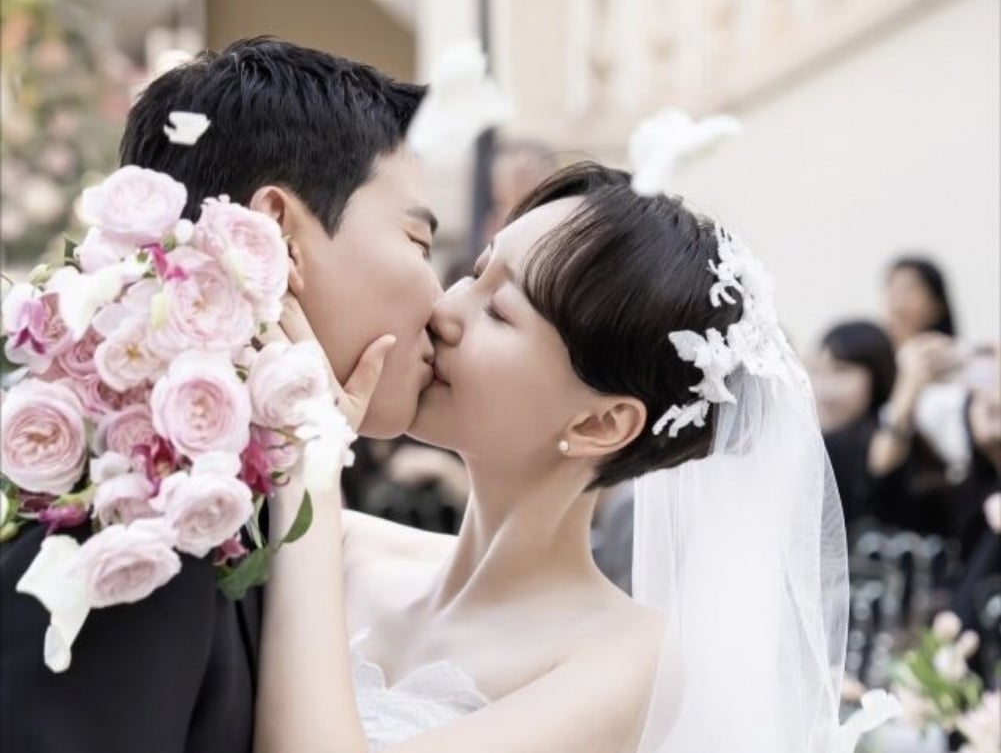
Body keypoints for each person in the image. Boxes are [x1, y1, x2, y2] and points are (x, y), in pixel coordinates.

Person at [255, 163, 849, 752]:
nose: (445, 309)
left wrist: (313, 471)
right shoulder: (346, 545)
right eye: (477, 272)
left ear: (599, 424)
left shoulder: (627, 660)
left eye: (498, 310)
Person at [0, 38, 442, 753]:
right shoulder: (142, 527)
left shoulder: (255, 502)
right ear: (277, 233)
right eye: (419, 243)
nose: (442, 300)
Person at [810, 320, 898, 526]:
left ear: (877, 375)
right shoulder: (811, 441)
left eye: (841, 370)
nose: (824, 387)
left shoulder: (886, 442)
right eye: (816, 370)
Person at [884, 256, 956, 348]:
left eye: (908, 290)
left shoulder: (953, 351)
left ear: (937, 305)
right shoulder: (874, 350)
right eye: (893, 290)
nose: (898, 301)